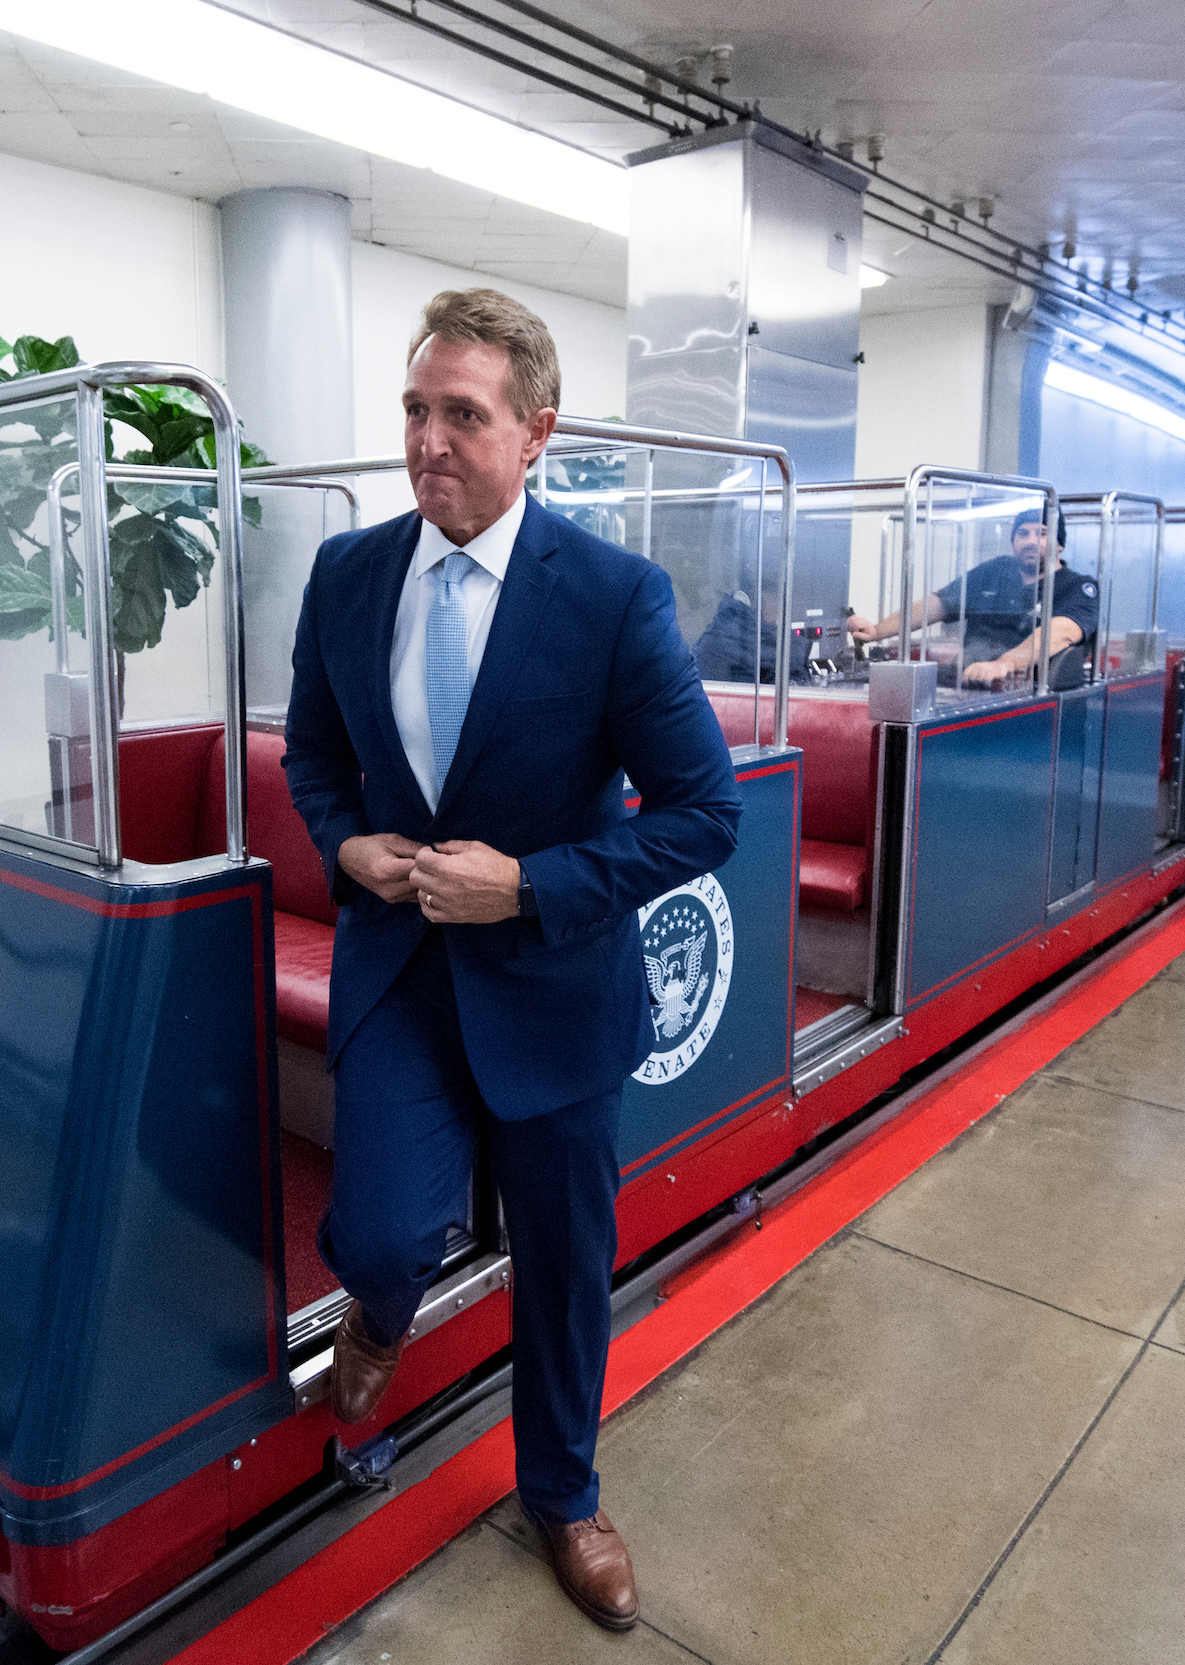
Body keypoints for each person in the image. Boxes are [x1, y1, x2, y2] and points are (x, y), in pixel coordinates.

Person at [282, 289, 743, 1632]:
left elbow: (705, 813)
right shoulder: (349, 575)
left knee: (562, 1265)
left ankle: (565, 1491)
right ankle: (376, 1322)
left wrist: (529, 886)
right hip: (401, 971)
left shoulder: (609, 598)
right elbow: (315, 756)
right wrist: (349, 843)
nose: (429, 440)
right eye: (417, 410)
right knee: (380, 1230)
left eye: (462, 416)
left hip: (554, 984)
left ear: (536, 433)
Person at [848, 504, 1099, 690]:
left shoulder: (1079, 587)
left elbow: (1060, 631)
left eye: (1042, 533)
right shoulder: (995, 571)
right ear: (1013, 540)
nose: (1031, 541)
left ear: (1060, 544)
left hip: (1027, 693)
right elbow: (936, 605)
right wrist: (877, 630)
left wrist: (1004, 665)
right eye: (1023, 534)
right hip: (967, 681)